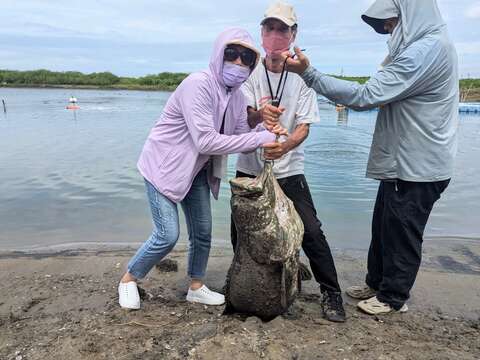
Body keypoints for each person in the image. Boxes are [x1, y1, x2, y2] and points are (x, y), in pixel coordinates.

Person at [285, 0, 458, 315]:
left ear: (409, 15)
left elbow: (364, 97)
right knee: (383, 227)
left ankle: (393, 298)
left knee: (402, 233)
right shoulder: (420, 45)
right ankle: (376, 282)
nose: (389, 31)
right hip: (404, 163)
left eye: (391, 25)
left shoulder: (425, 51)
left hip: (419, 166)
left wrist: (309, 74)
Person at [118, 28, 286, 310]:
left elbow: (241, 140)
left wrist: (262, 124)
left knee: (203, 231)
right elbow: (206, 140)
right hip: (163, 167)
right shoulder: (198, 84)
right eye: (232, 54)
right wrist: (260, 138)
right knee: (166, 235)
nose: (238, 63)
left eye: (246, 58)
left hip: (195, 170)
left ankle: (196, 287)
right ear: (218, 54)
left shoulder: (237, 95)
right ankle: (129, 279)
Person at [230, 2, 346, 323]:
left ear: (293, 34)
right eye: (270, 28)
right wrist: (260, 116)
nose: (276, 35)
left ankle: (331, 293)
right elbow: (244, 115)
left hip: (290, 169)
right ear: (261, 33)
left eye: (283, 29)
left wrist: (286, 146)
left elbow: (304, 126)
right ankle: (250, 287)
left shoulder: (304, 76)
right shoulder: (249, 69)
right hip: (250, 169)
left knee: (311, 231)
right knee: (240, 234)